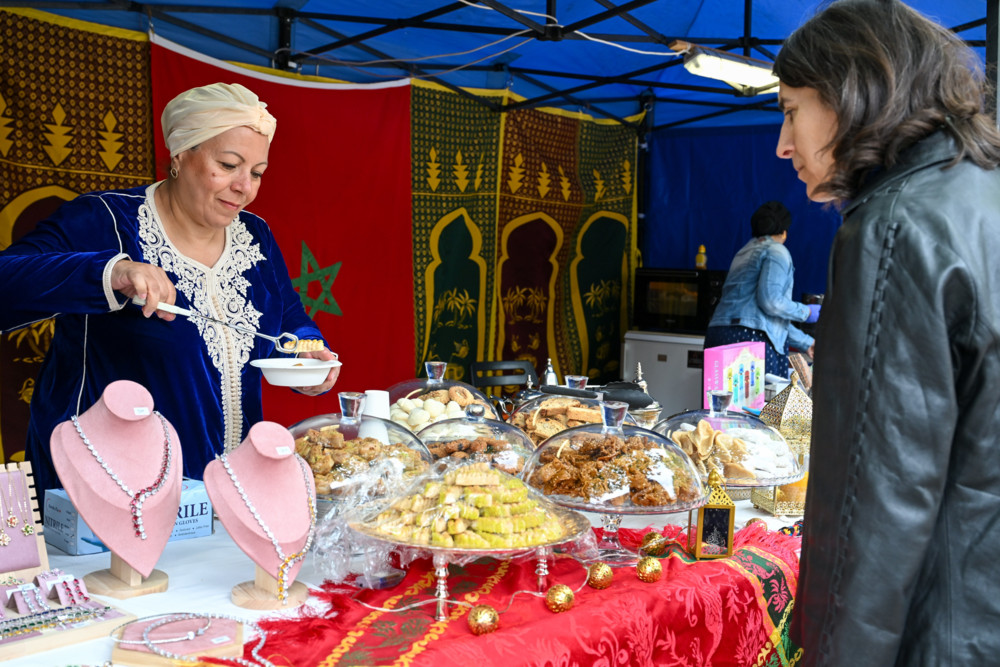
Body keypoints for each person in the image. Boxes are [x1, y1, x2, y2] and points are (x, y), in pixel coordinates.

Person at [773, 1, 1000, 664]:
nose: (783, 144)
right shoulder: (981, 194)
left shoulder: (893, 228)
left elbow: (869, 517)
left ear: (851, 94)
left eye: (790, 110)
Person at [0, 82, 340, 496]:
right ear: (181, 154)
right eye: (229, 164)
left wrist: (308, 353)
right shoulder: (104, 219)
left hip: (231, 494)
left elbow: (287, 320)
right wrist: (110, 273)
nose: (244, 187)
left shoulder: (255, 235)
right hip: (110, 491)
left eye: (256, 173)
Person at [703, 200, 820, 378]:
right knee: (761, 405)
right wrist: (807, 312)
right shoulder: (777, 251)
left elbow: (762, 319)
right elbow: (771, 303)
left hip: (717, 335)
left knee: (718, 404)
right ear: (784, 232)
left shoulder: (743, 253)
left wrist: (805, 342)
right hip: (749, 341)